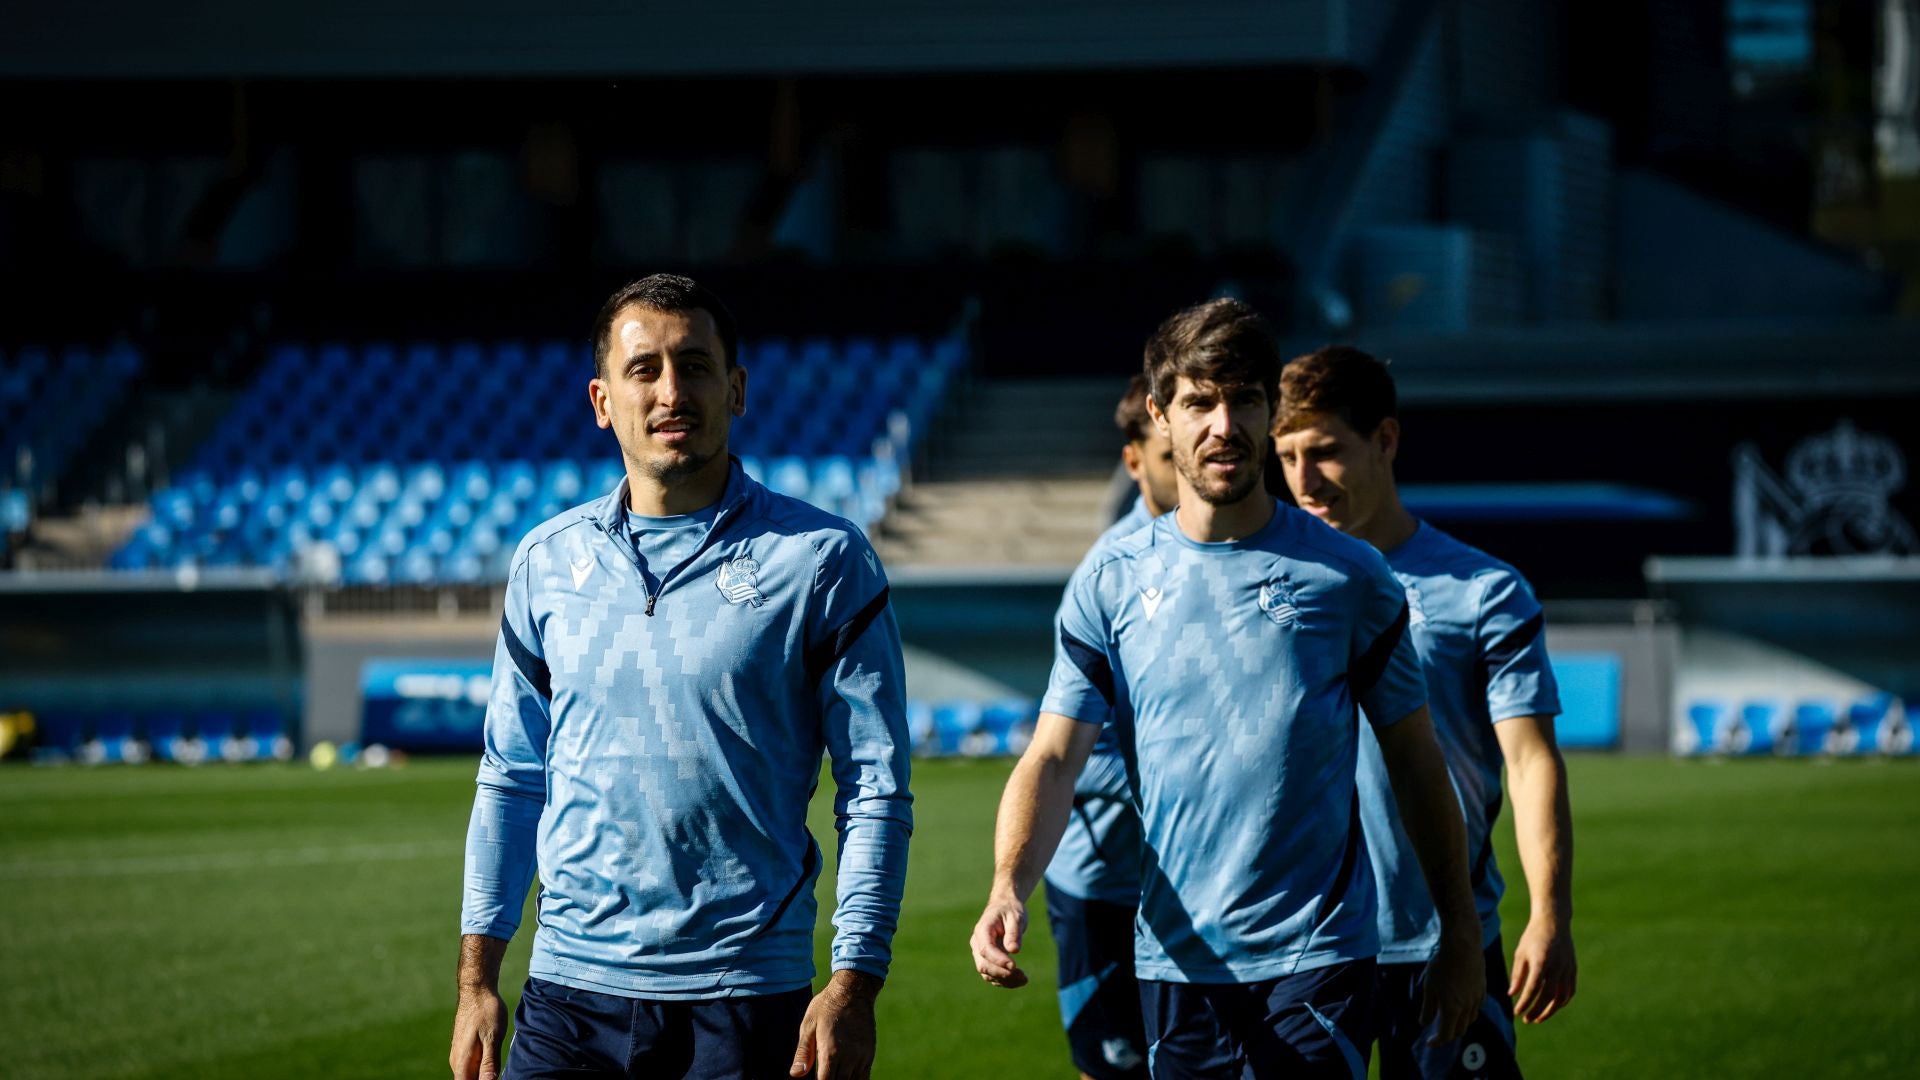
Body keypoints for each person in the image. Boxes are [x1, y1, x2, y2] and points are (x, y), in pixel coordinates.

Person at [971, 299, 1483, 1077]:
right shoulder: (1109, 582)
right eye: (1199, 403)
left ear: (1271, 411)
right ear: (1158, 415)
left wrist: (1460, 930)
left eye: (1245, 400)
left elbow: (1416, 761)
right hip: (1174, 962)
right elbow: (1051, 759)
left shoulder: (1350, 577)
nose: (1224, 426)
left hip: (1319, 959)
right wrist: (1008, 886)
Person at [450, 274, 913, 1080]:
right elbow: (511, 777)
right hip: (568, 995)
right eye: (645, 370)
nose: (671, 392)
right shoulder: (546, 563)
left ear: (736, 390)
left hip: (746, 997)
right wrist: (477, 981)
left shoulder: (822, 560)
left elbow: (874, 786)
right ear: (602, 401)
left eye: (695, 366)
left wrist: (854, 983)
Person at [1272, 346, 1576, 1078]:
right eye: (1285, 457)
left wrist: (1550, 914)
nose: (1304, 480)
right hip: (1302, 948)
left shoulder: (1484, 590)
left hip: (1445, 939)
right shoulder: (1268, 589)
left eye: (1325, 451)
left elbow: (1531, 761)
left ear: (1385, 440)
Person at [1043, 374, 1175, 1080]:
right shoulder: (1109, 574)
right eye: (1168, 456)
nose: (1188, 469)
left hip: (1190, 880)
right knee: (1115, 1068)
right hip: (1100, 881)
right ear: (1134, 460)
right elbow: (1071, 749)